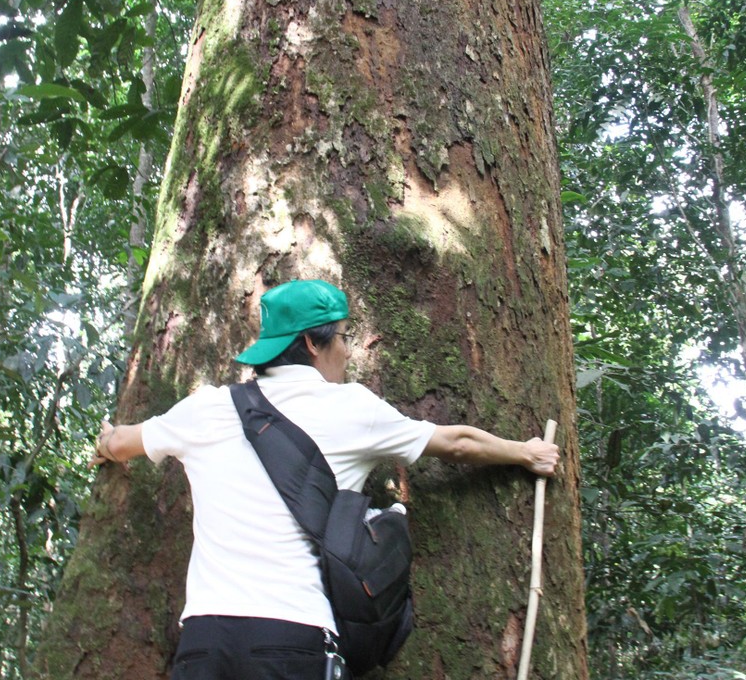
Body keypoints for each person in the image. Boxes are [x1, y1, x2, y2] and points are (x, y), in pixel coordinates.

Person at [91, 279, 559, 679]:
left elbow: (121, 443)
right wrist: (525, 453)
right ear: (314, 344)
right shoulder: (351, 408)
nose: (347, 350)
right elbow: (456, 443)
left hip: (204, 642)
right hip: (292, 637)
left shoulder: (206, 408)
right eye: (342, 337)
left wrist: (107, 443)